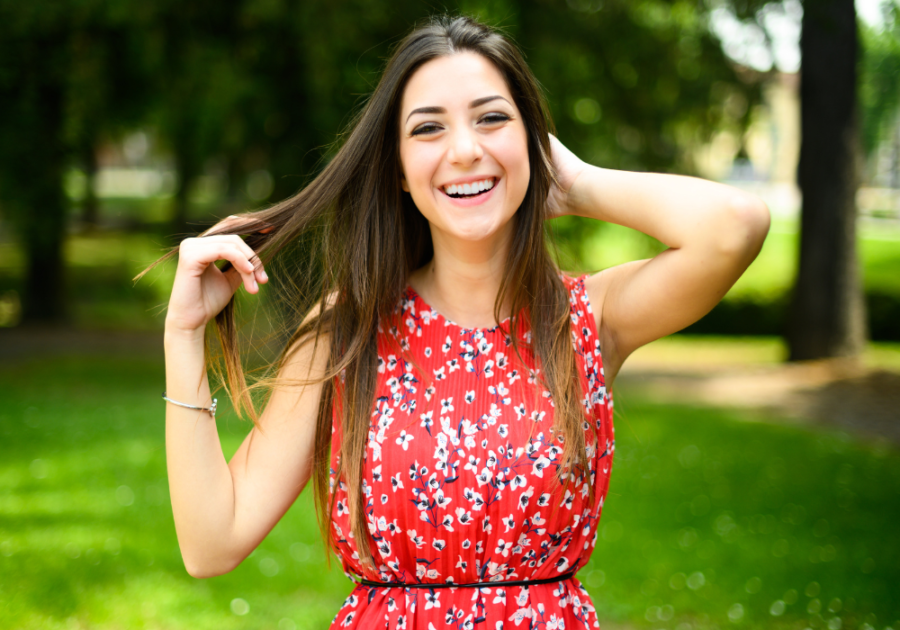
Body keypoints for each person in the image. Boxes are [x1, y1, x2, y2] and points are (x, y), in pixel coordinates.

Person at [156, 15, 769, 629]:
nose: (466, 150)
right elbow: (214, 543)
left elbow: (734, 226)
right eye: (428, 128)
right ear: (397, 167)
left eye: (492, 118)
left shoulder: (587, 317)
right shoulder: (347, 329)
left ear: (533, 140)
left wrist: (578, 184)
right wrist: (184, 334)